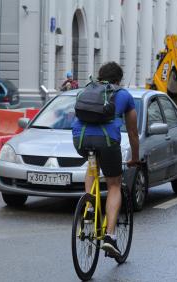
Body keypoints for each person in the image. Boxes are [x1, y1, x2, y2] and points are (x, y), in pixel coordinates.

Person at [72, 61, 139, 256]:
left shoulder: (85, 90)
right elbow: (133, 133)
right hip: (107, 142)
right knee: (114, 184)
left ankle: (90, 206)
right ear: (118, 80)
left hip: (81, 140)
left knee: (92, 166)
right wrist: (135, 158)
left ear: (99, 76)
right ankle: (110, 236)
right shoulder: (124, 95)